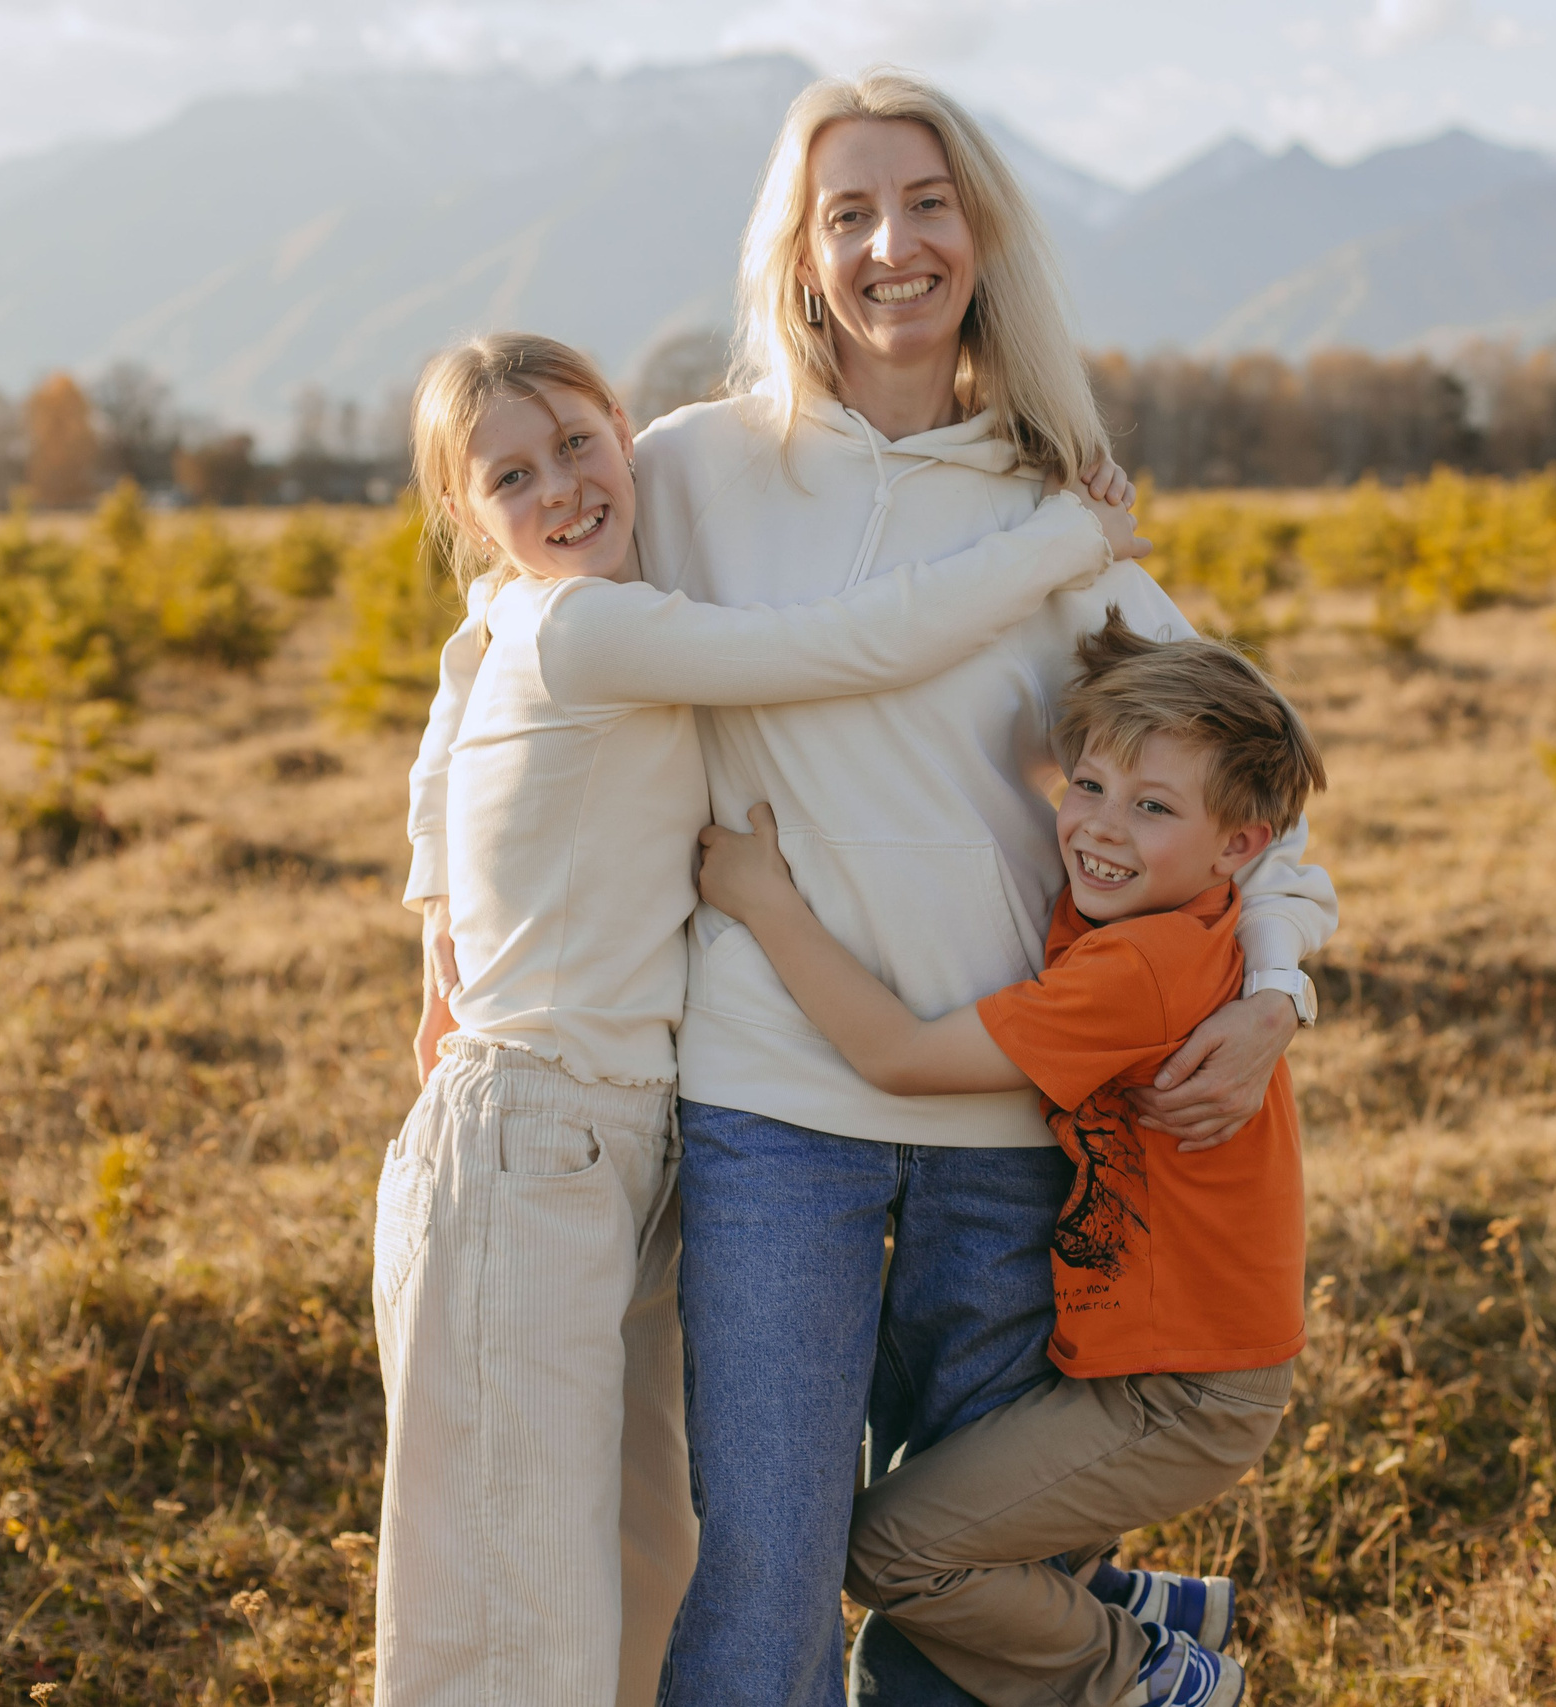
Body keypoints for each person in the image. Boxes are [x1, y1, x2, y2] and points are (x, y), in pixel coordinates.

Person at [404, 70, 1338, 1707]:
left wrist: (1276, 991)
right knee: (760, 1567)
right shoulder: (688, 471)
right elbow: (495, 639)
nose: (892, 244)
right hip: (770, 1110)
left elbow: (1253, 798)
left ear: (981, 237)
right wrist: (440, 916)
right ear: (800, 250)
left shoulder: (1057, 520)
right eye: (850, 213)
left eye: (926, 204)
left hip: (1006, 1125)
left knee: (951, 1598)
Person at [373, 330, 1141, 1707]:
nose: (560, 487)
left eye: (576, 444)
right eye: (511, 476)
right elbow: (840, 645)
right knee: (506, 1606)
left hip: (618, 1140)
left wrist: (438, 903)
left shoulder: (550, 610)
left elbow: (458, 659)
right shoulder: (585, 625)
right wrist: (1063, 539)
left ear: (627, 432)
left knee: (632, 1572)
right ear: (465, 511)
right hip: (532, 1133)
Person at [698, 610, 1323, 1707]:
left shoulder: (1140, 968)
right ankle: (1121, 1598)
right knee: (939, 1524)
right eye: (1087, 786)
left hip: (1182, 1391)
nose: (1101, 828)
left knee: (892, 1551)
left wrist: (765, 900)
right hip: (1159, 1363)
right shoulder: (1167, 911)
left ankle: (1144, 1672)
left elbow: (898, 1055)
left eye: (1153, 807)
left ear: (1239, 847)